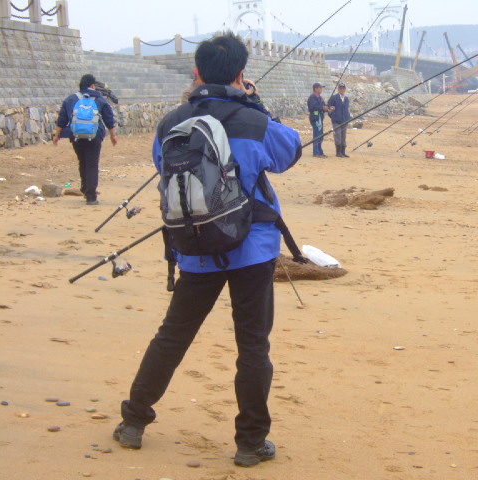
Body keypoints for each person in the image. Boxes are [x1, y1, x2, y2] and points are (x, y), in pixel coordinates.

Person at [112, 32, 302, 468]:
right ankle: (250, 443)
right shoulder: (254, 121)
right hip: (252, 248)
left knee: (173, 335)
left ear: (196, 72)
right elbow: (289, 151)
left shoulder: (172, 122)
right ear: (240, 74)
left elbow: (163, 167)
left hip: (195, 245)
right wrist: (256, 103)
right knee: (252, 345)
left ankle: (134, 421)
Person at [52, 74, 117, 205]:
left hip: (76, 136)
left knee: (83, 162)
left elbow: (62, 119)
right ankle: (91, 196)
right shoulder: (100, 99)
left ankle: (85, 189)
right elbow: (109, 119)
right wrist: (113, 136)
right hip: (95, 136)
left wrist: (57, 135)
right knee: (92, 164)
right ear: (93, 85)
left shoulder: (71, 99)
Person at [307, 82, 332, 157]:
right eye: (320, 88)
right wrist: (323, 108)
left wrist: (328, 108)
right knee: (317, 135)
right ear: (316, 89)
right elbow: (313, 108)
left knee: (320, 135)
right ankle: (316, 152)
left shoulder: (320, 97)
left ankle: (320, 151)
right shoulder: (312, 97)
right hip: (315, 118)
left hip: (320, 118)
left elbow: (323, 107)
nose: (321, 89)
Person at [327, 81, 351, 158]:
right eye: (341, 88)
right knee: (338, 136)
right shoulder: (334, 98)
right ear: (338, 89)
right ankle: (338, 152)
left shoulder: (346, 99)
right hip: (336, 121)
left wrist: (348, 118)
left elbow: (347, 109)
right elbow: (329, 110)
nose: (342, 90)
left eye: (343, 88)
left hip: (344, 121)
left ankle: (343, 152)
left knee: (343, 137)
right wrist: (333, 116)